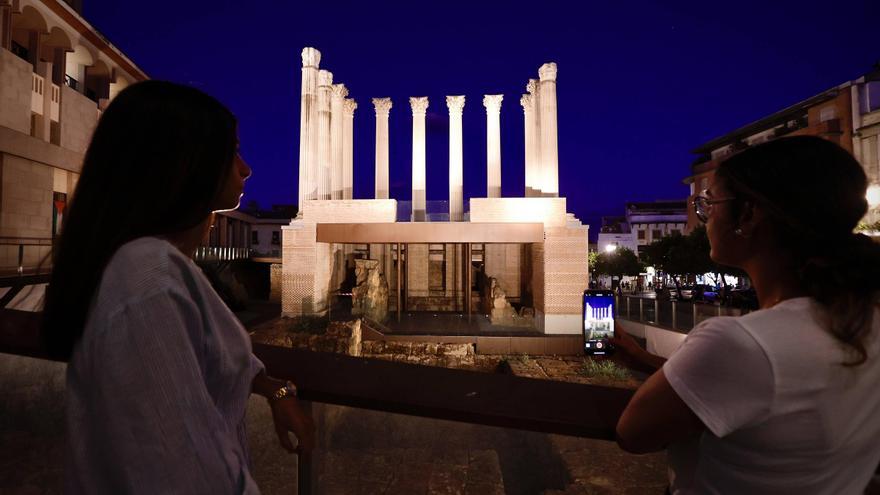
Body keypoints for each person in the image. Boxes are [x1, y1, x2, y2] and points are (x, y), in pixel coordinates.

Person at [41, 80, 315, 493]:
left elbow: (206, 349)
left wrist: (271, 388)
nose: (246, 168)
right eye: (232, 152)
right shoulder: (147, 277)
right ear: (186, 164)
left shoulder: (149, 265)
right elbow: (179, 468)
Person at [610, 136, 880, 493]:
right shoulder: (866, 321)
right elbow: (766, 390)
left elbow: (634, 433)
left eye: (710, 203)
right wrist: (641, 357)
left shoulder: (738, 342)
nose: (705, 218)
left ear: (748, 214)